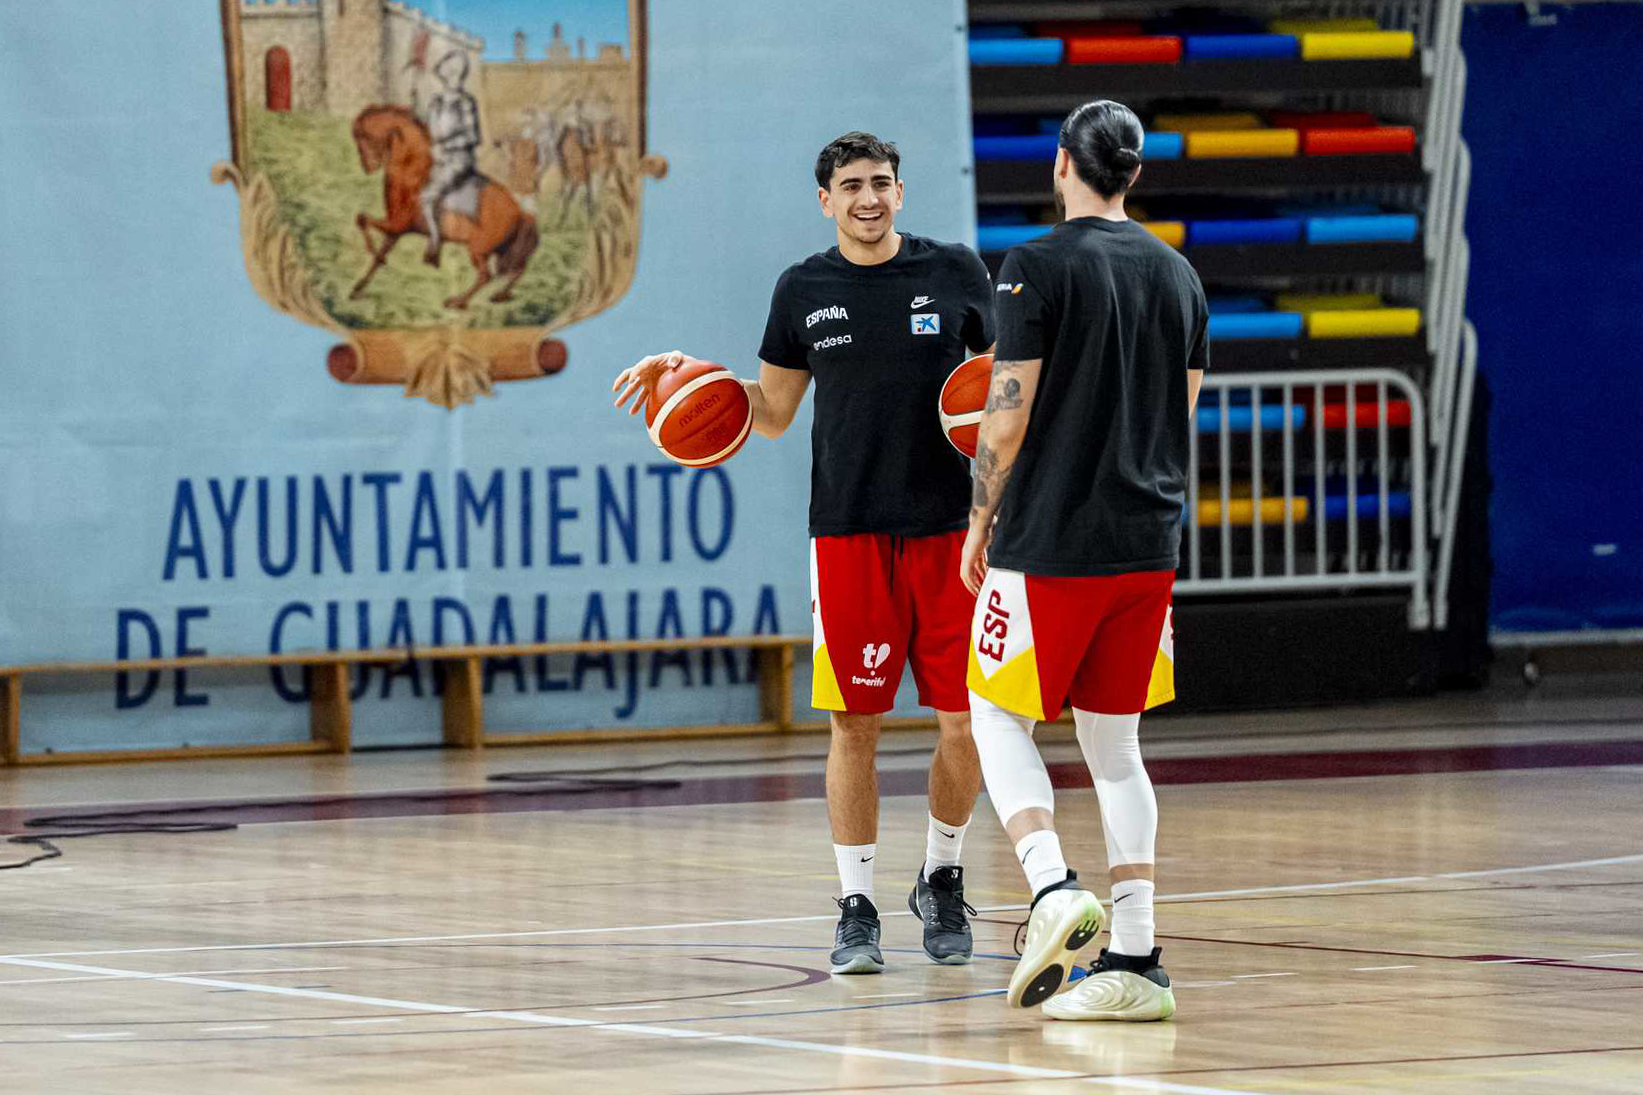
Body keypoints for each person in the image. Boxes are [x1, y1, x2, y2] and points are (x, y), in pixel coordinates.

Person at [613, 133, 995, 974]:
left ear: (902, 192)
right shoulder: (803, 289)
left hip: (947, 535)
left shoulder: (956, 273)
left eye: (882, 183)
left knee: (966, 721)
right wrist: (692, 380)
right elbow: (773, 409)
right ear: (824, 199)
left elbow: (1003, 388)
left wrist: (997, 495)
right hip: (847, 534)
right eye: (851, 185)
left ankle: (943, 872)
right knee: (852, 722)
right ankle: (855, 905)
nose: (868, 197)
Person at [959, 101, 1208, 1020]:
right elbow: (1177, 412)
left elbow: (1008, 411)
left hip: (1052, 541)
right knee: (1115, 746)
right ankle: (1137, 960)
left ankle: (1049, 884)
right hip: (1146, 545)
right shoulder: (1179, 274)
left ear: (1062, 161)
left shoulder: (1033, 265)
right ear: (1132, 173)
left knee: (993, 712)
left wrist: (978, 518)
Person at [418, 50, 482, 266]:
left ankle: (434, 243)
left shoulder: (466, 102)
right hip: (435, 156)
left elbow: (473, 136)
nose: (452, 78)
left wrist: (444, 147)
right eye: (448, 74)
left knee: (427, 196)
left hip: (459, 159)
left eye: (455, 74)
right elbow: (427, 130)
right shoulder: (435, 102)